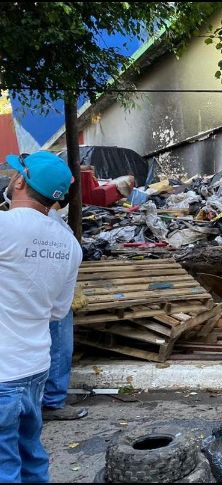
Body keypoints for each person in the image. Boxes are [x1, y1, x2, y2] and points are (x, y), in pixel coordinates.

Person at [0, 151, 81, 483]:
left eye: (14, 173)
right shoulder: (69, 244)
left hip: (3, 372)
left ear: (20, 181)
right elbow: (58, 312)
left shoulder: (4, 227)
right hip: (35, 369)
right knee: (30, 455)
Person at [42, 197, 87, 421]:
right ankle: (53, 402)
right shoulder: (50, 222)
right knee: (59, 346)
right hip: (53, 297)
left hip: (43, 295)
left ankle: (46, 398)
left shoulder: (19, 219)